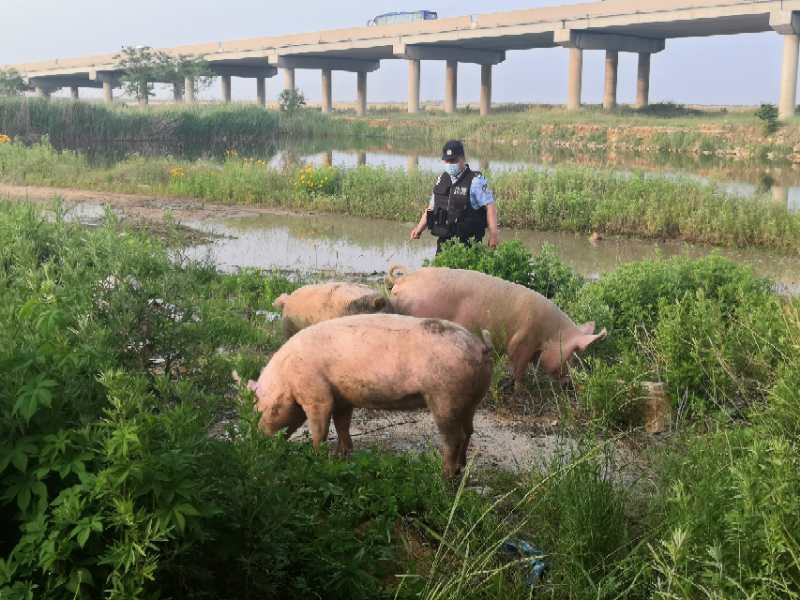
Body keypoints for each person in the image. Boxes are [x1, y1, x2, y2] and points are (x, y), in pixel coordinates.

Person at [410, 140, 499, 254]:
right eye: (447, 160)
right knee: (439, 271)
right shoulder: (441, 179)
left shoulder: (476, 181)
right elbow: (431, 208)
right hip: (444, 243)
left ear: (463, 159)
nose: (450, 164)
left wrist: (494, 234)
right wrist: (419, 229)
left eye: (453, 160)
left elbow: (490, 206)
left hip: (469, 245)